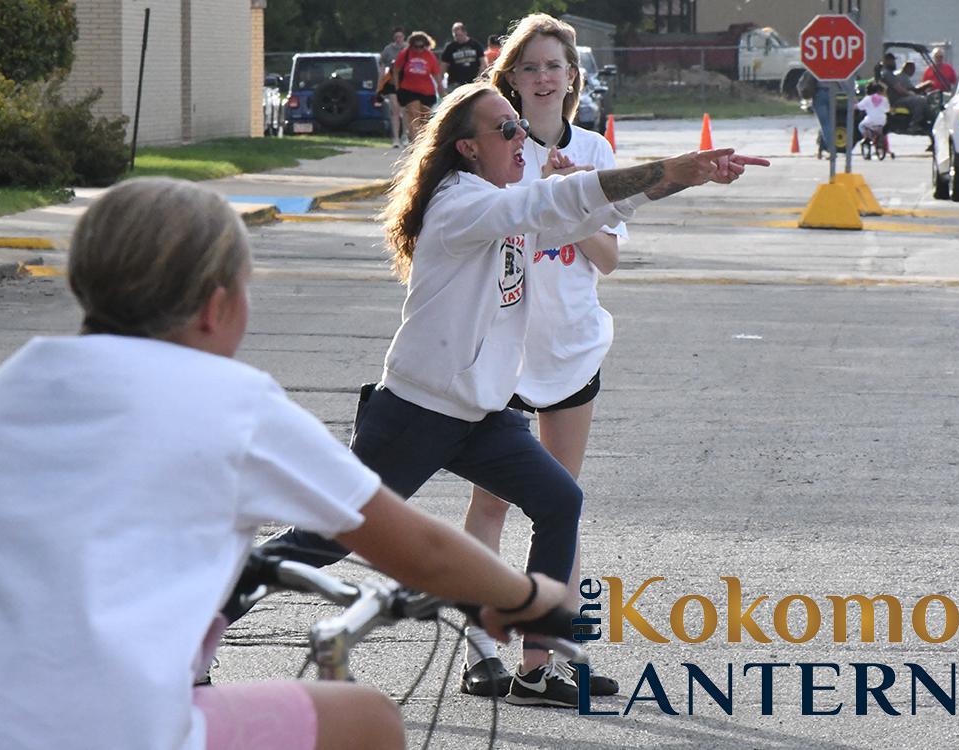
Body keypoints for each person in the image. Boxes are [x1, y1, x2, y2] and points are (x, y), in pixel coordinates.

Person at [0, 177, 574, 750]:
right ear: (215, 306)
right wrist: (524, 598)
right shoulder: (230, 402)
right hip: (116, 733)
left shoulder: (19, 380)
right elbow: (417, 546)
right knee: (369, 720)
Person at [257, 82, 768, 708]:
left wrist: (686, 177)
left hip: (483, 412)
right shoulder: (461, 202)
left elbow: (589, 214)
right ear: (468, 148)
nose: (521, 137)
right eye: (506, 130)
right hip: (417, 412)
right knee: (327, 540)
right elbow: (556, 202)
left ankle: (536, 668)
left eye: (521, 126)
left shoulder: (505, 195)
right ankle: (215, 601)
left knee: (559, 500)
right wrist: (666, 167)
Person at [460, 12, 625, 701]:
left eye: (554, 65)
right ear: (510, 79)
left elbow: (609, 257)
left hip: (569, 348)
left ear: (571, 77)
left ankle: (544, 659)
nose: (542, 77)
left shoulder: (595, 150)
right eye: (529, 66)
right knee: (490, 503)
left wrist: (572, 198)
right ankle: (479, 652)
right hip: (501, 353)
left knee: (561, 504)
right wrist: (536, 190)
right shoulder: (496, 151)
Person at [393, 31, 445, 143]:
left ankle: (421, 140)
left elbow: (436, 75)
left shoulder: (429, 56)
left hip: (427, 91)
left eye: (421, 46)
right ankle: (415, 143)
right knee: (414, 114)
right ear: (411, 45)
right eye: (415, 46)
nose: (418, 49)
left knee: (425, 119)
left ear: (426, 45)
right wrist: (397, 88)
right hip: (409, 89)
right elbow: (396, 70)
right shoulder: (405, 53)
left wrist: (441, 91)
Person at [879, 52, 926, 127]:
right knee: (920, 100)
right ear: (886, 61)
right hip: (895, 101)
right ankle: (915, 124)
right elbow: (899, 89)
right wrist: (910, 93)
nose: (894, 63)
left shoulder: (889, 74)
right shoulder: (887, 74)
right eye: (892, 60)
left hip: (898, 99)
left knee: (916, 99)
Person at [380, 27, 407, 148]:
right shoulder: (388, 49)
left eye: (400, 37)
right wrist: (381, 81)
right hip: (392, 83)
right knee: (394, 110)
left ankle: (405, 136)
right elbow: (382, 64)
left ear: (404, 37)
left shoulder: (408, 49)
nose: (398, 39)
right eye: (396, 37)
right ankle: (395, 138)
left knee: (405, 110)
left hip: (406, 83)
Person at [440, 21, 487, 91]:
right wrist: (440, 83)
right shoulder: (450, 48)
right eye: (456, 35)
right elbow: (444, 66)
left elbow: (483, 63)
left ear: (465, 33)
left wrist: (478, 79)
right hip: (455, 83)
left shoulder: (475, 45)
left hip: (472, 82)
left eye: (460, 35)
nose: (458, 37)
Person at [797, 69, 834, 158]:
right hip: (833, 93)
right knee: (828, 124)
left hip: (819, 93)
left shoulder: (818, 64)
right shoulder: (834, 64)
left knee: (825, 124)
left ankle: (831, 150)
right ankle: (821, 149)